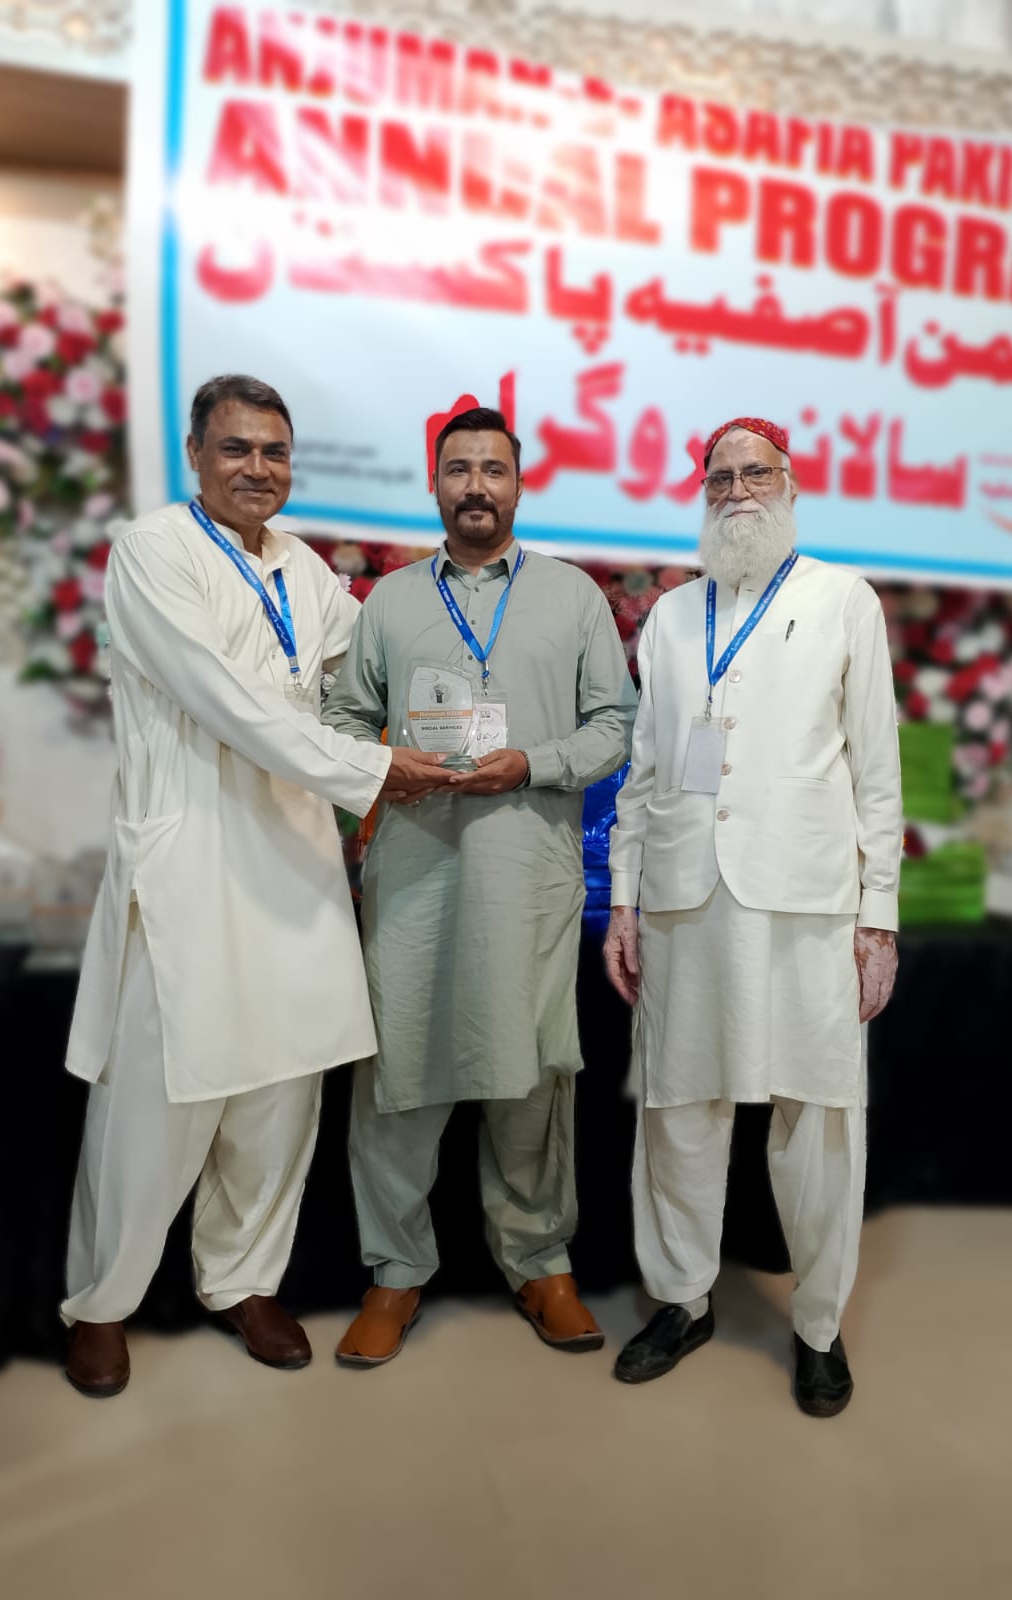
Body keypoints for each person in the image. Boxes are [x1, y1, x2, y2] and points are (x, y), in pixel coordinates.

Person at [61, 374, 438, 1398]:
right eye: (236, 449)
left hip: (296, 856)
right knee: (158, 1102)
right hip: (191, 856)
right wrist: (373, 769)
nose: (258, 469)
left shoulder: (304, 567)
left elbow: (364, 669)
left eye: (274, 451)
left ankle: (243, 1281)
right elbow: (229, 700)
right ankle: (102, 1302)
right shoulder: (153, 551)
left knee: (282, 1092)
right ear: (196, 455)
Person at [324, 406, 637, 1368]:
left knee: (532, 1074)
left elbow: (616, 724)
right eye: (457, 469)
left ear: (519, 484)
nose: (475, 486)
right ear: (435, 485)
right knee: (399, 1074)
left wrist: (533, 762)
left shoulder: (572, 597)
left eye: (492, 469)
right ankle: (394, 1272)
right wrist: (386, 760)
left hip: (526, 876)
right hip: (415, 873)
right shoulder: (390, 601)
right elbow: (342, 721)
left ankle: (540, 1262)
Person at [603, 416, 902, 1416]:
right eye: (720, 477)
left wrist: (879, 917)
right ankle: (682, 1299)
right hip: (685, 898)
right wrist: (625, 900)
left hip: (805, 903)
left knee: (816, 1121)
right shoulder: (671, 616)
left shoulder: (842, 600)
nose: (737, 491)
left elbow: (877, 773)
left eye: (755, 473)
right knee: (678, 1112)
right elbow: (647, 769)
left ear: (791, 482)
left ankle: (817, 1325)